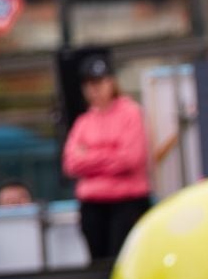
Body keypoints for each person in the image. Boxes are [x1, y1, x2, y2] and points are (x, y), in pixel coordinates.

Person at [61, 55, 151, 263]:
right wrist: (111, 154)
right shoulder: (84, 121)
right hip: (93, 206)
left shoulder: (131, 113)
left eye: (99, 82)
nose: (94, 89)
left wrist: (90, 157)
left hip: (126, 203)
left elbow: (130, 159)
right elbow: (71, 164)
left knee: (121, 260)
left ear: (111, 82)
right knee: (97, 263)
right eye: (89, 84)